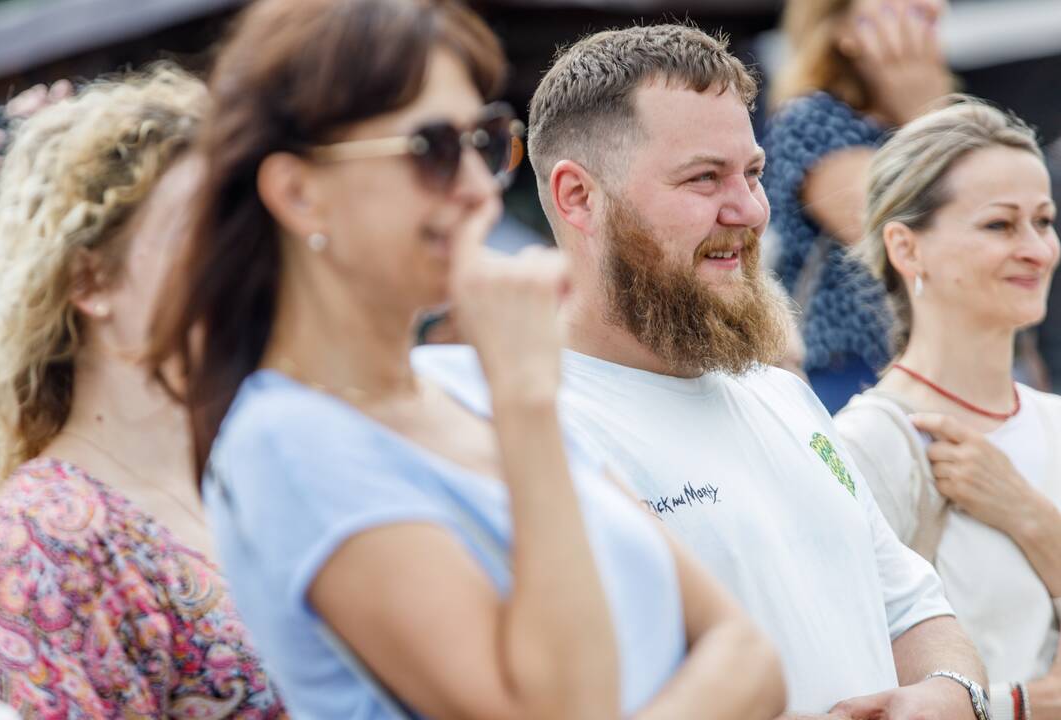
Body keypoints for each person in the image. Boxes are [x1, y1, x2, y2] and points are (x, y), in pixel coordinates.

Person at [148, 1, 786, 719]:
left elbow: (751, 653)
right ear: (299, 194)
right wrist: (525, 404)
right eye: (430, 150)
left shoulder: (464, 394)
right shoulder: (291, 441)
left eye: (483, 140)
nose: (480, 189)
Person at [414, 23, 992, 719]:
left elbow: (911, 606)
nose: (749, 210)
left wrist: (950, 696)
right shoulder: (510, 423)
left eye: (752, 172)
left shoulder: (783, 396)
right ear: (577, 198)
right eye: (703, 178)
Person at [0, 68, 286, 718]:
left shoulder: (265, 476)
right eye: (206, 237)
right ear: (91, 281)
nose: (247, 266)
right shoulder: (38, 544)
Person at [835, 98, 1061, 720]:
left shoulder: (1054, 422)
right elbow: (847, 685)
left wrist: (1029, 515)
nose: (1038, 250)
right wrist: (1017, 706)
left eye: (1044, 221)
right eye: (1000, 225)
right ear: (907, 249)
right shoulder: (869, 442)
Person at [764, 0, 956, 412]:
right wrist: (927, 117)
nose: (930, 8)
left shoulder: (937, 117)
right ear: (840, 29)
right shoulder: (813, 119)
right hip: (853, 374)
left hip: (940, 365)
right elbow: (907, 235)